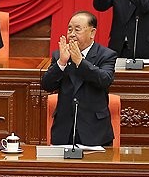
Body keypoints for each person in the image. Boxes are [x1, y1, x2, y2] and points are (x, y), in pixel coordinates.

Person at [40, 10, 118, 146]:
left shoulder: (106, 55)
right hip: (64, 130)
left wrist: (81, 62)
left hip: (95, 131)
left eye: (77, 29)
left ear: (92, 33)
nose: (72, 34)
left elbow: (105, 80)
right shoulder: (60, 55)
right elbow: (47, 85)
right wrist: (61, 63)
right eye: (69, 29)